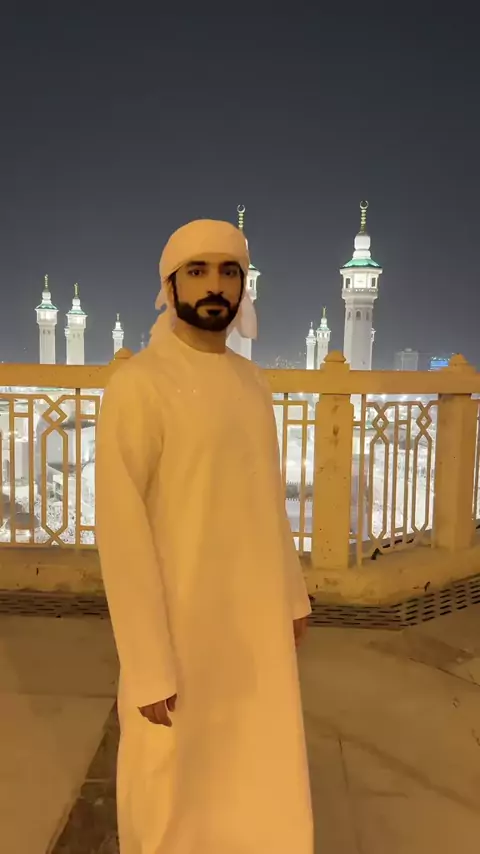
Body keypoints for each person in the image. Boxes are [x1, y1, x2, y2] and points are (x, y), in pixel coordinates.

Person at [95, 218, 313, 854]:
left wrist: (292, 595)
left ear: (244, 287)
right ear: (170, 286)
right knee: (173, 782)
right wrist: (146, 664)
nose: (215, 286)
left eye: (228, 272)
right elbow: (122, 534)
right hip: (180, 627)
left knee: (256, 766)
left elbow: (266, 501)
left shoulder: (252, 384)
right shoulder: (139, 386)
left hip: (253, 627)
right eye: (197, 271)